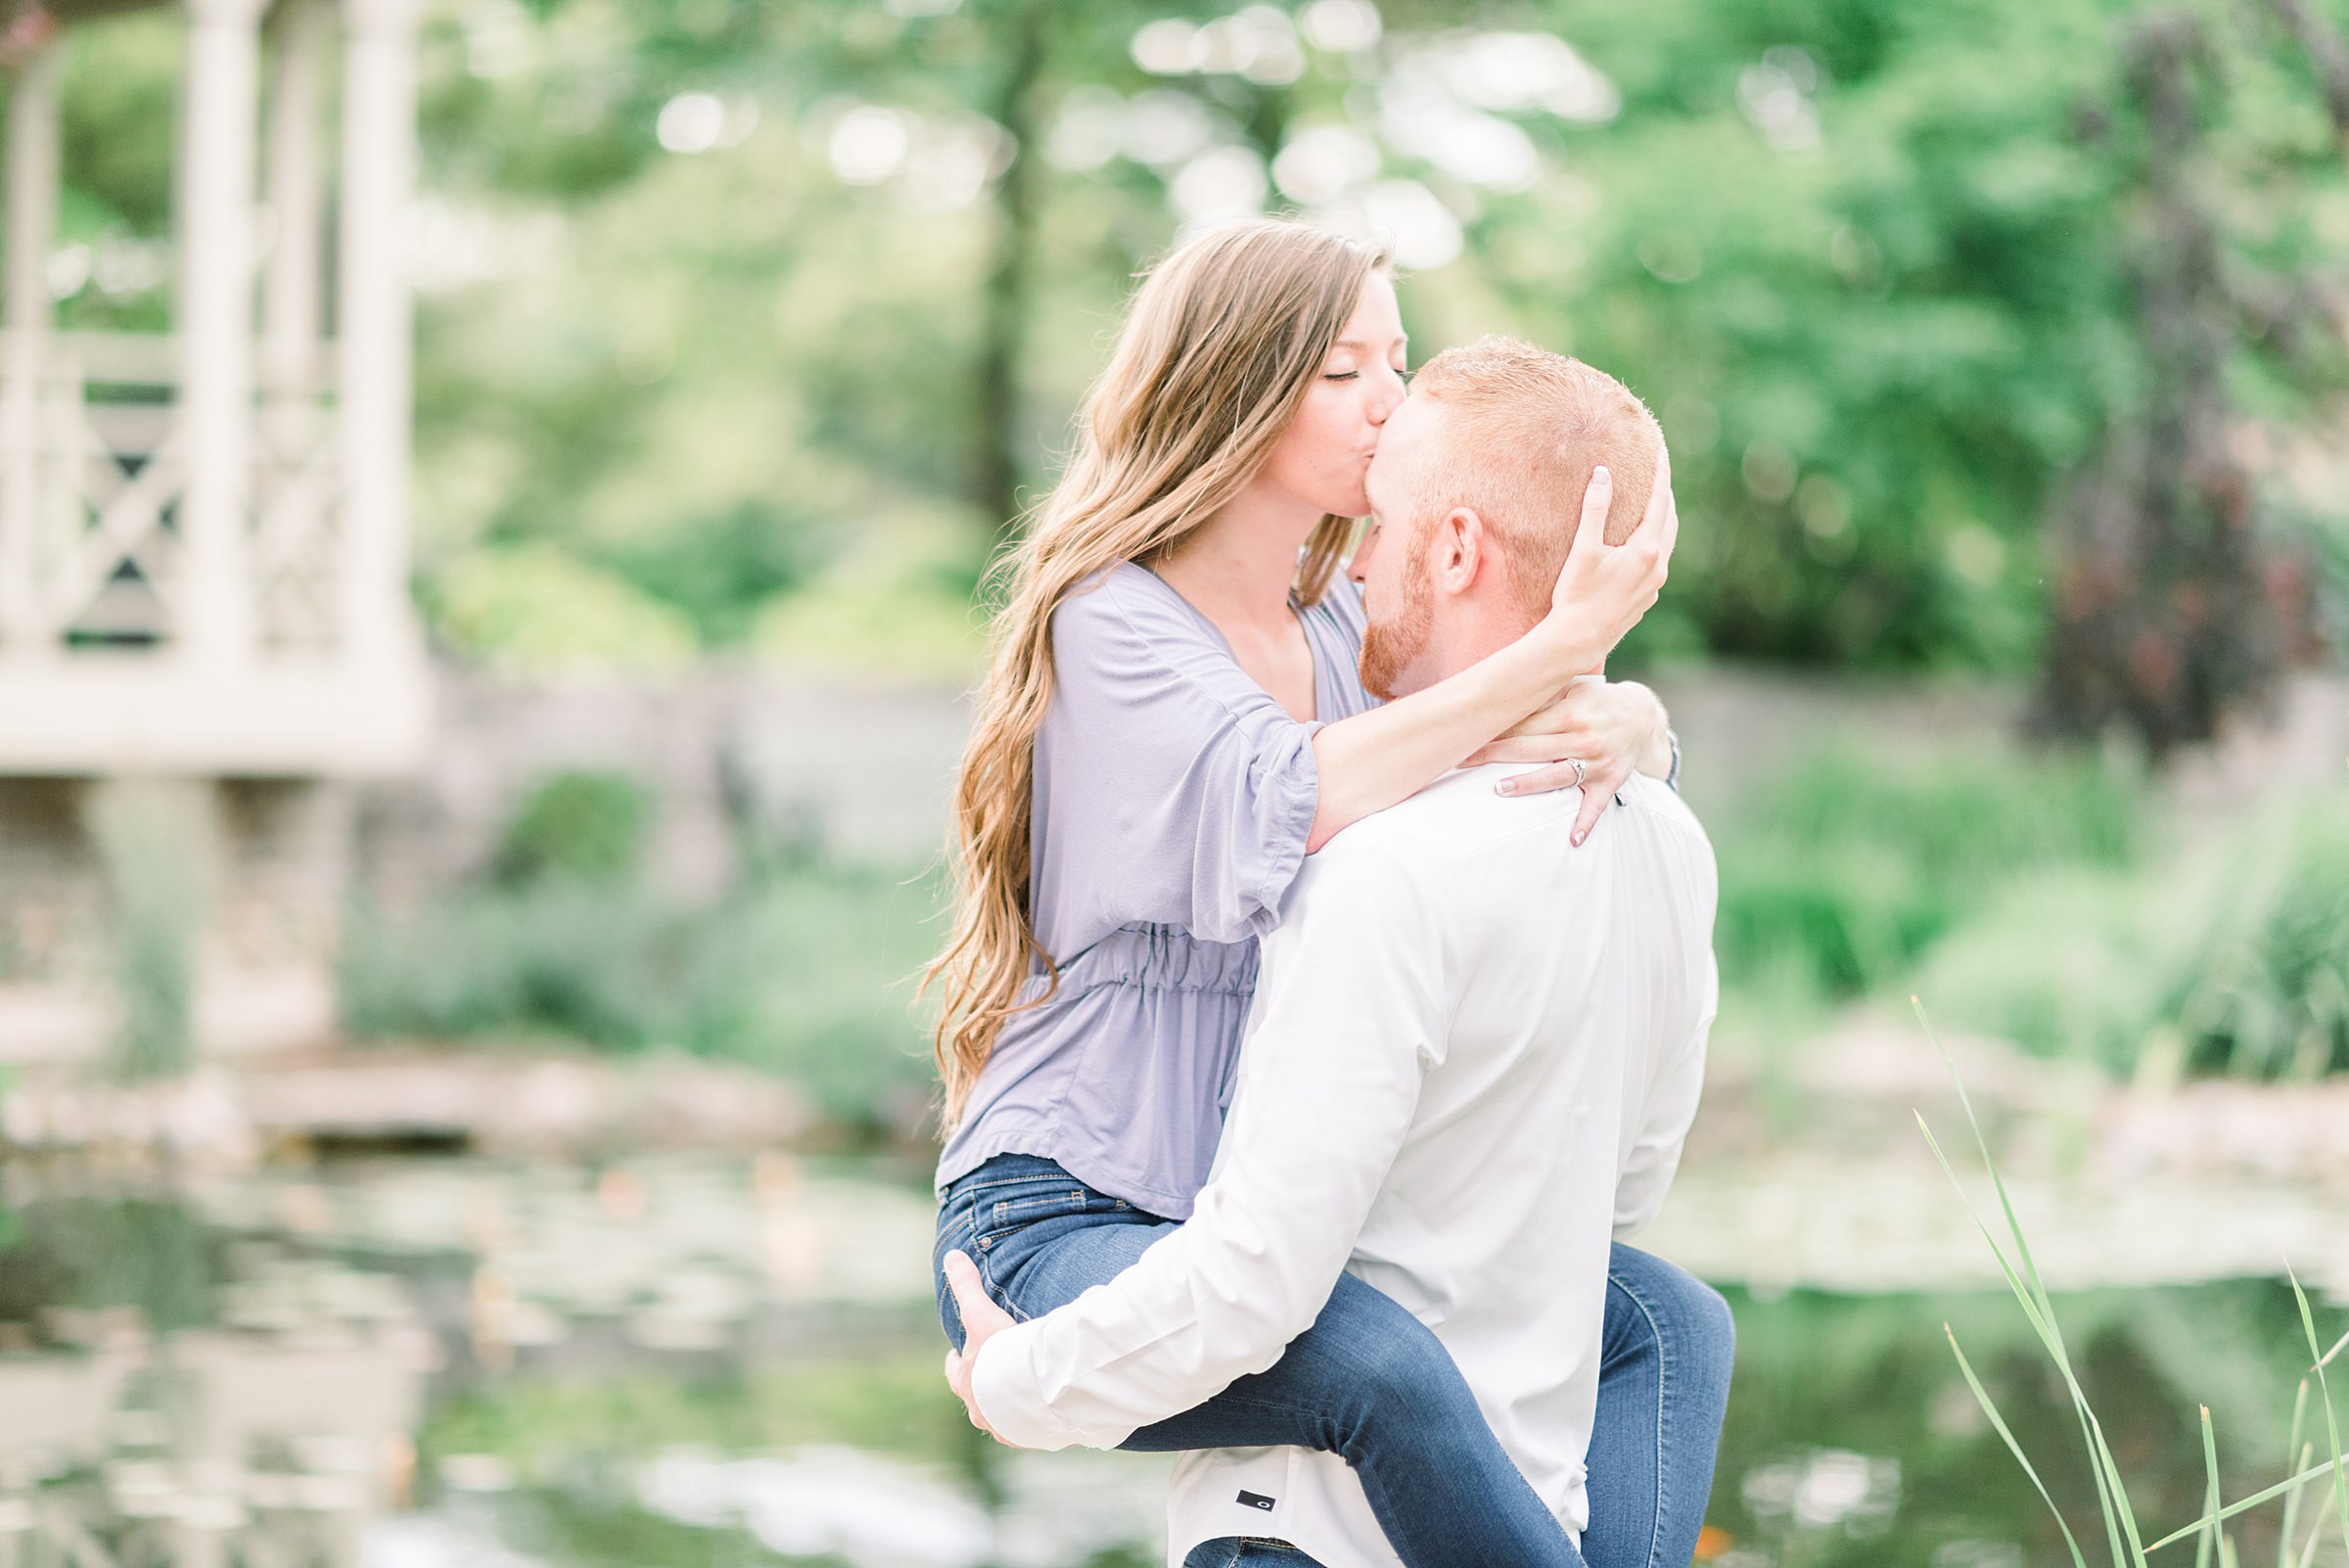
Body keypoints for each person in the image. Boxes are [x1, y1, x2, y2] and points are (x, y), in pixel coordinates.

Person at [927, 220, 1722, 1568]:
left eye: (1398, 360)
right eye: (1349, 370)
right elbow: (1283, 800)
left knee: (1668, 1320)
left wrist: (1629, 716)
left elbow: (1484, 726)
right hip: (1069, 1213)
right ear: (1240, 391)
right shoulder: (1112, 621)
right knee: (1380, 1370)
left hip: (1246, 1218)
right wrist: (1570, 653)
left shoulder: (1352, 628)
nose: (1395, 401)